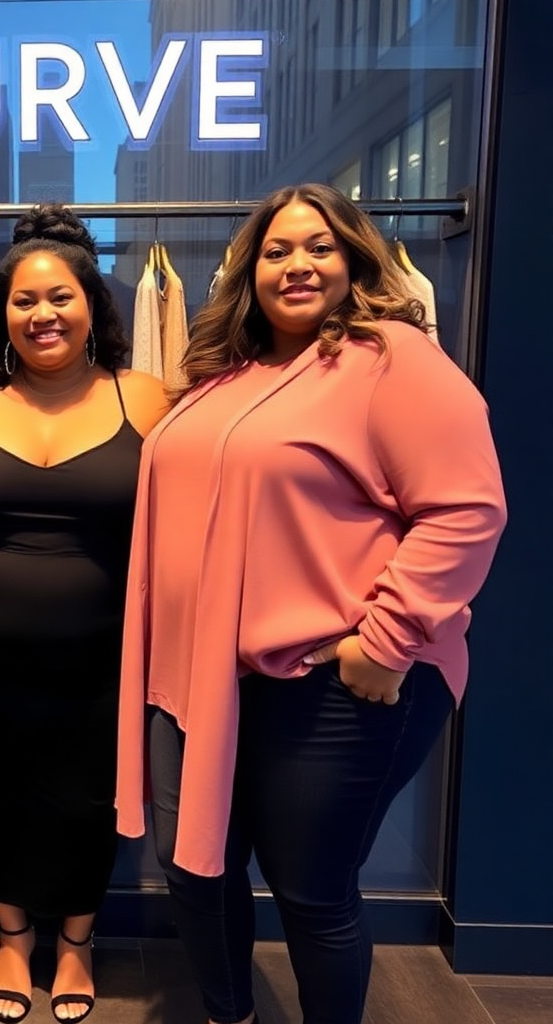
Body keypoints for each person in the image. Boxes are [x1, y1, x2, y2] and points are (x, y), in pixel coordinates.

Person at [116, 184, 507, 1024]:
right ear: (249, 270)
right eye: (277, 250)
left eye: (319, 247)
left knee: (311, 890)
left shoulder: (390, 356)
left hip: (330, 680)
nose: (297, 265)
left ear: (355, 258)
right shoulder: (225, 371)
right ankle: (232, 1015)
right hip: (200, 684)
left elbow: (467, 510)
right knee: (195, 868)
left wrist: (387, 641)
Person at [0, 204, 166, 1024]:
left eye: (60, 299)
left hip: (105, 657)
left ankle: (78, 944)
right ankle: (14, 937)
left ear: (93, 306)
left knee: (92, 798)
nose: (42, 315)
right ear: (0, 313)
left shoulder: (147, 399)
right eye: (23, 301)